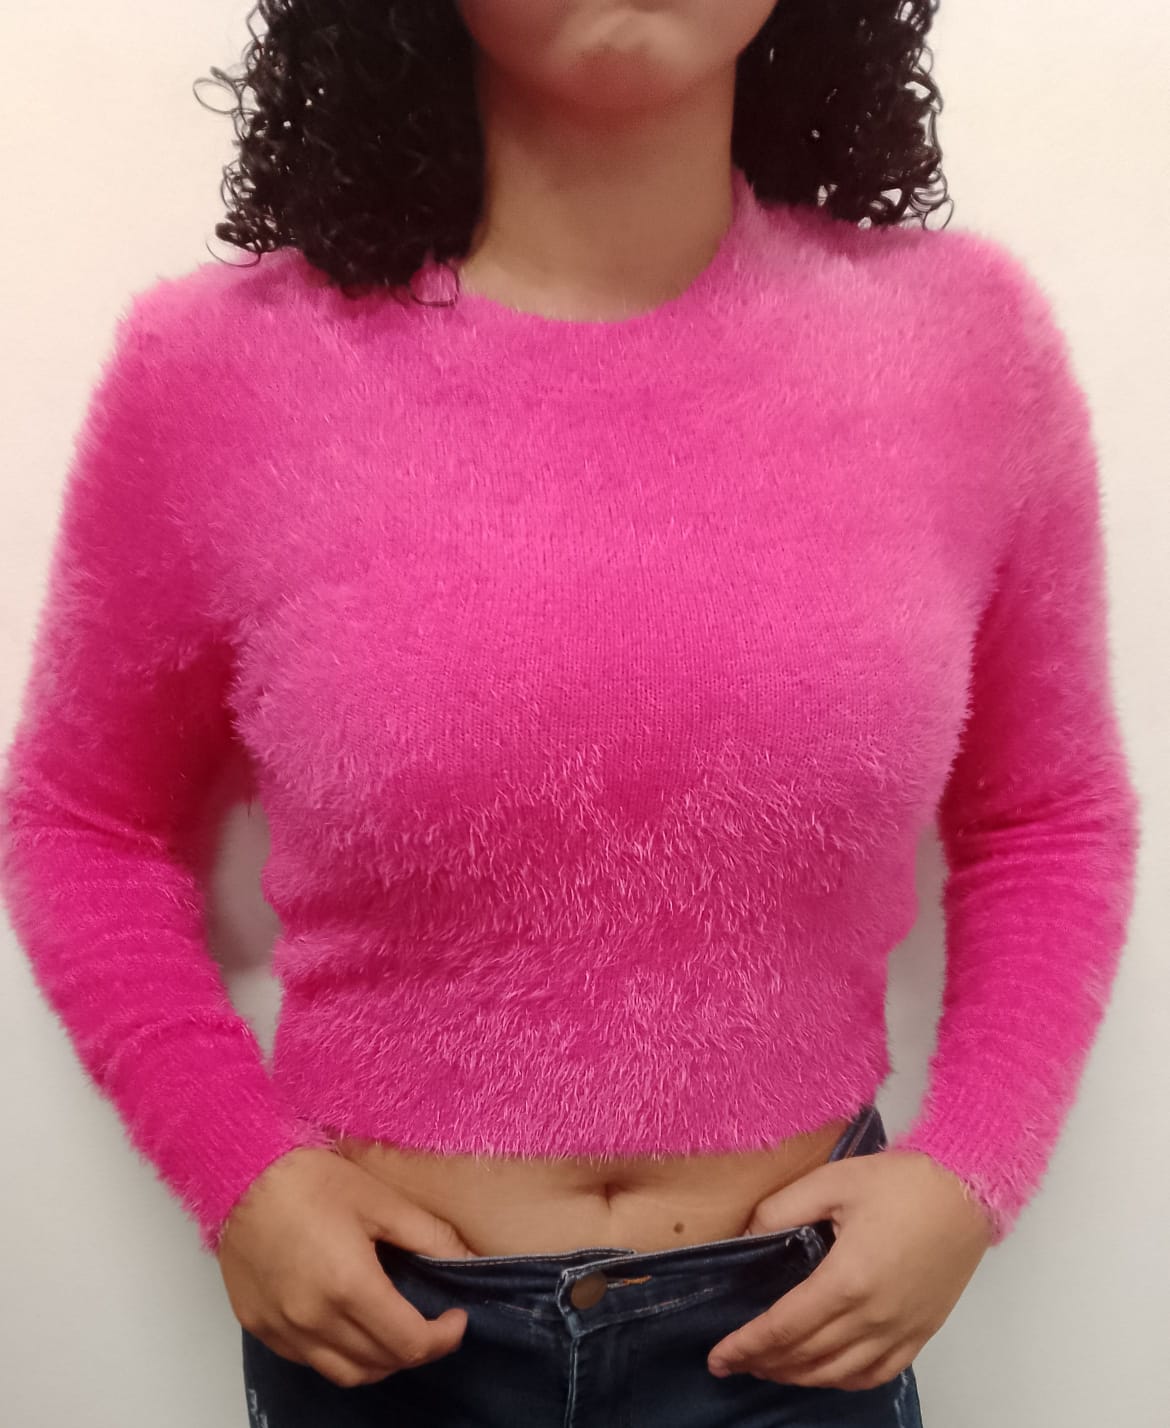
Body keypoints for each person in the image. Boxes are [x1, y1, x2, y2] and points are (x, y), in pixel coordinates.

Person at [0, 3, 1141, 1426]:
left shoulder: (959, 347)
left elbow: (1049, 817)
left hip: (797, 1340)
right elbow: (81, 821)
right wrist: (239, 1172)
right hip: (387, 1345)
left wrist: (971, 1170)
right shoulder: (218, 371)